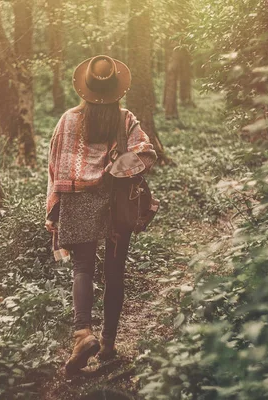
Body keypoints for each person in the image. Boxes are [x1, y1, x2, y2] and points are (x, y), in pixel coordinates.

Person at [45, 55, 157, 374]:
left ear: (86, 88)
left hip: (77, 202)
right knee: (114, 272)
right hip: (115, 203)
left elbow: (55, 167)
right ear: (117, 89)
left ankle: (83, 334)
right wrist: (114, 169)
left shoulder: (67, 119)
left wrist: (54, 208)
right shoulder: (125, 119)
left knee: (82, 268)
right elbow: (145, 154)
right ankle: (107, 345)